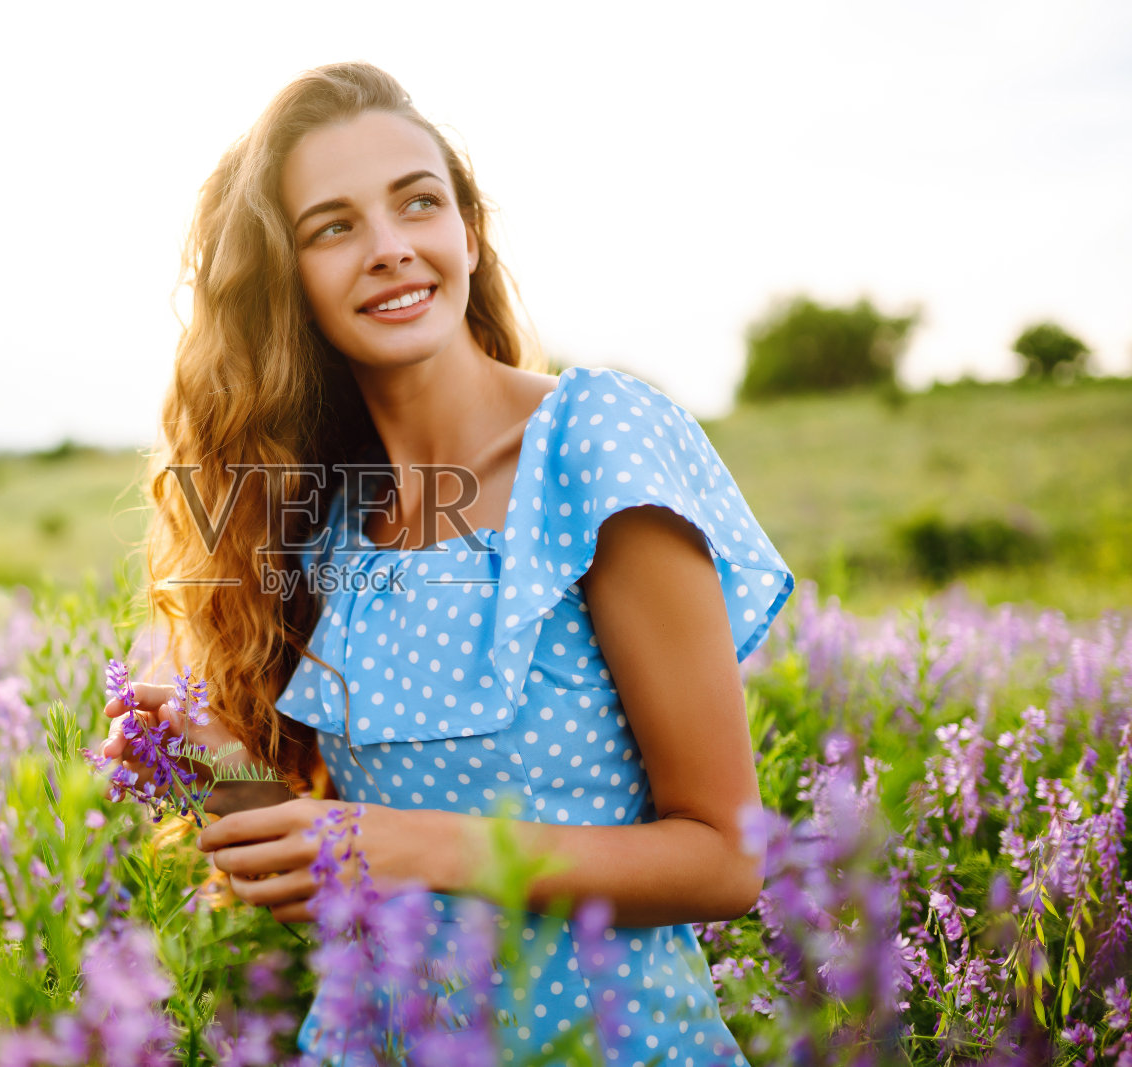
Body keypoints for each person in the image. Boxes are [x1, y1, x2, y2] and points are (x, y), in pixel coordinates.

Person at [100, 61, 793, 1065]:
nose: (388, 249)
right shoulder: (323, 515)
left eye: (415, 203)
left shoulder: (594, 445)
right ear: (287, 275)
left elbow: (726, 859)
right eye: (332, 226)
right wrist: (219, 764)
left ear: (466, 230)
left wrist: (396, 841)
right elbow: (337, 874)